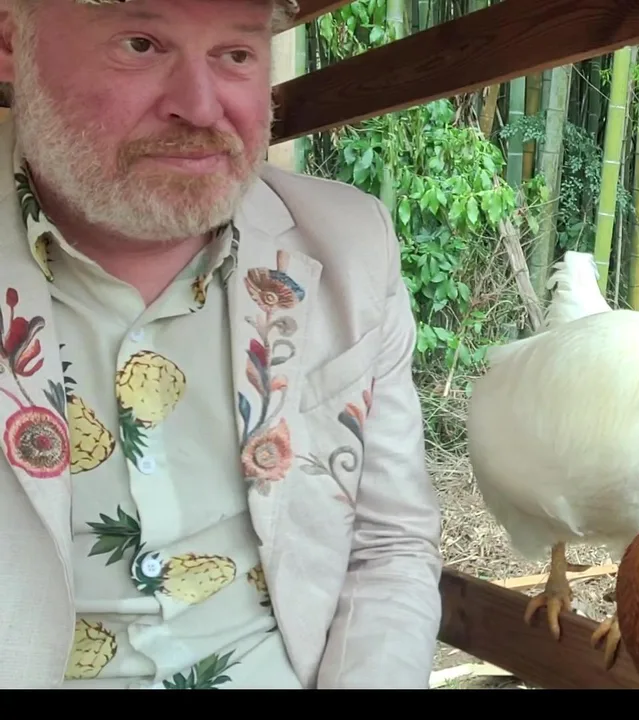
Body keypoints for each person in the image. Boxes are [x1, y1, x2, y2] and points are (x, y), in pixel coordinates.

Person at [0, 0, 444, 688]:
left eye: (236, 54)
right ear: (11, 42)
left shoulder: (351, 246)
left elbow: (389, 547)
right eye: (141, 44)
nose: (202, 108)